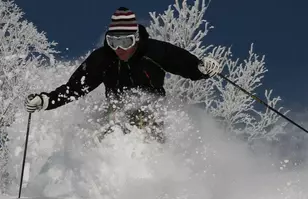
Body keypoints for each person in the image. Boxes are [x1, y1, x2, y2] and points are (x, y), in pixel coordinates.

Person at [25, 7, 221, 141]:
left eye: (125, 42)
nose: (119, 49)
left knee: (143, 121)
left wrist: (201, 68)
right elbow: (75, 88)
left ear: (135, 39)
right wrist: (46, 100)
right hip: (115, 110)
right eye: (113, 42)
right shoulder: (103, 59)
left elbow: (183, 64)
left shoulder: (154, 52)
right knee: (101, 131)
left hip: (151, 109)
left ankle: (154, 178)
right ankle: (99, 182)